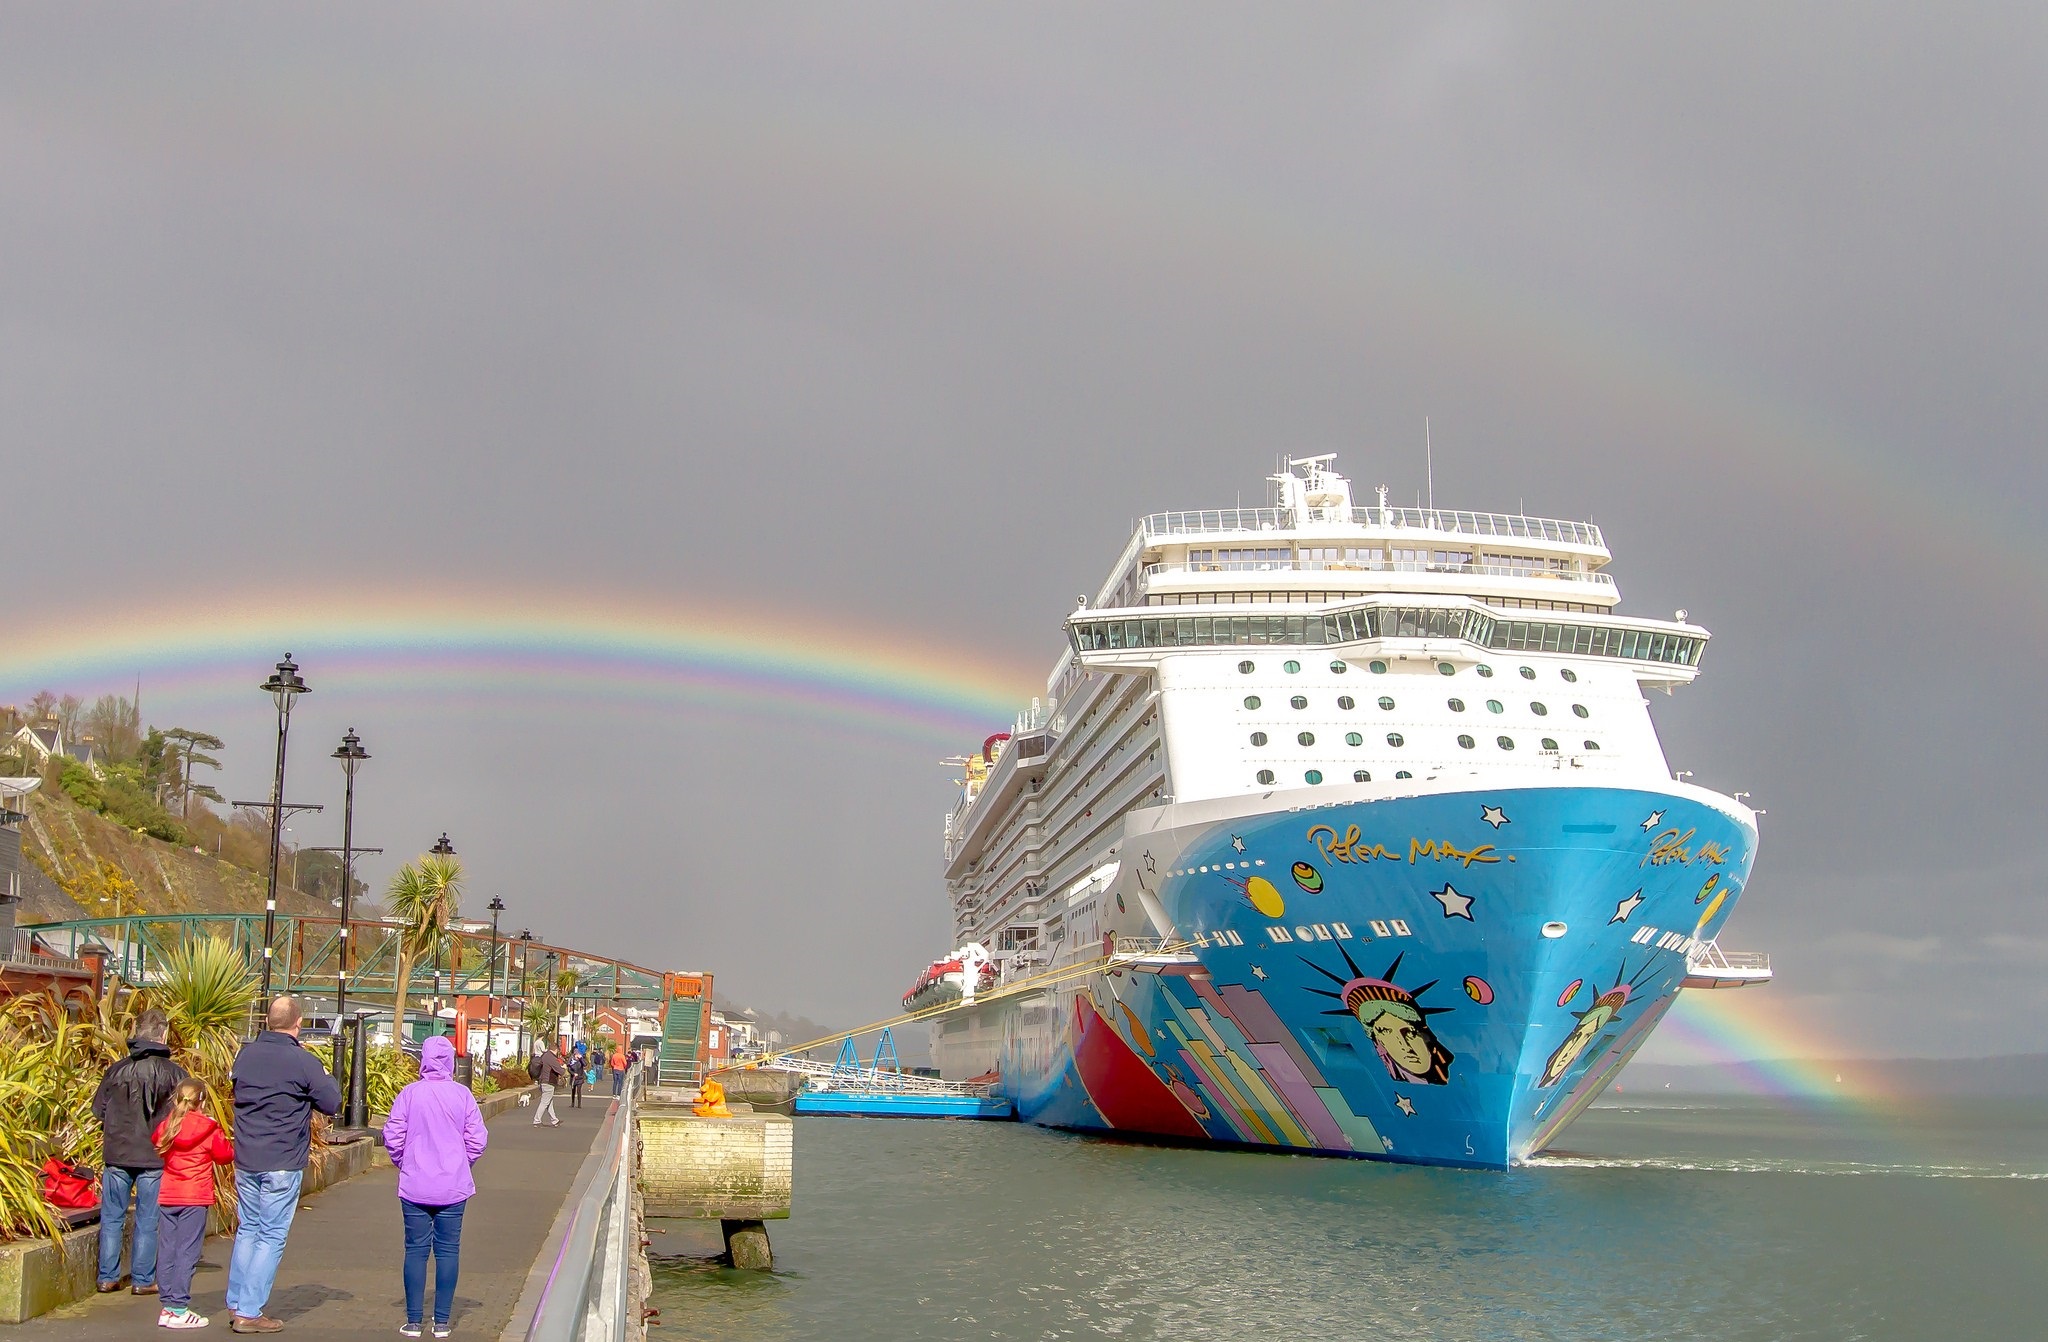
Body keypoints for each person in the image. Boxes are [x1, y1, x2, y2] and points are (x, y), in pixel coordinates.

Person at [225, 995, 342, 1334]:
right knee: (271, 1234)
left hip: (247, 1156)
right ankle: (249, 1310)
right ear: (298, 1023)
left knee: (248, 1228)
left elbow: (236, 1089)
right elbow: (331, 1101)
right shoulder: (301, 1061)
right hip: (282, 1158)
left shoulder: (245, 1055)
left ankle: (236, 1302)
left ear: (267, 1022)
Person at [383, 1035, 488, 1339]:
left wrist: (405, 1162)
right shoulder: (462, 1095)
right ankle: (442, 1322)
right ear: (451, 1062)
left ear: (424, 1059)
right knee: (447, 1250)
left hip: (415, 1184)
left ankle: (413, 1321)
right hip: (453, 1185)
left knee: (415, 1250)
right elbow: (477, 1138)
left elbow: (393, 1134)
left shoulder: (410, 1093)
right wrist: (462, 1162)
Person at [91, 1007, 188, 1297]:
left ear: (136, 1031)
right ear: (163, 1033)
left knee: (112, 1217)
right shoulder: (175, 1074)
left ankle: (107, 1278)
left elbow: (99, 1110)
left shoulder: (117, 1069)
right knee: (148, 1219)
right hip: (154, 1156)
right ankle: (143, 1279)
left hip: (118, 1152)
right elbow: (184, 1116)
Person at [151, 1079, 234, 1331]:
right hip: (195, 1196)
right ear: (203, 1101)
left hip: (169, 1194)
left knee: (167, 1249)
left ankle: (167, 1305)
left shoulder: (168, 1125)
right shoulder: (208, 1127)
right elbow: (225, 1155)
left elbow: (157, 1143)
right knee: (187, 1251)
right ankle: (178, 1307)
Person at [530, 1045, 563, 1127]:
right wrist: (564, 1068)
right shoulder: (551, 1058)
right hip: (548, 1082)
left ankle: (554, 1120)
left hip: (542, 1081)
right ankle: (537, 1120)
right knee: (545, 1102)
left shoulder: (544, 1055)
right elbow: (560, 1070)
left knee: (549, 1102)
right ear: (556, 1050)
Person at [567, 1044, 586, 1110]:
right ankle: (572, 1103)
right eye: (575, 1052)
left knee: (579, 1091)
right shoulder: (571, 1059)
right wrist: (573, 1073)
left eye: (577, 1052)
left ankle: (579, 1104)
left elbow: (585, 1064)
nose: (576, 1053)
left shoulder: (581, 1058)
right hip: (573, 1077)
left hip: (580, 1077)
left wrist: (580, 1059)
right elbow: (568, 1068)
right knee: (573, 1090)